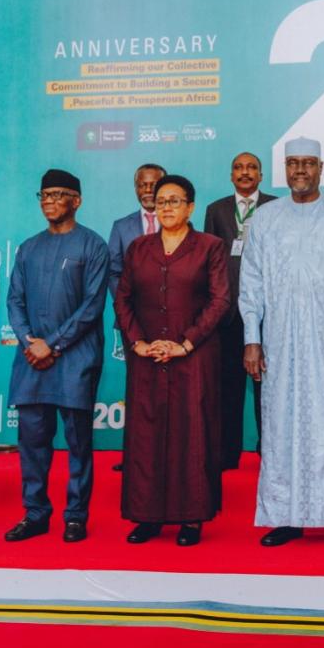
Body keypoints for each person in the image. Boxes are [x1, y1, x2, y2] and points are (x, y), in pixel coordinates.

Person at [240, 137, 324, 547]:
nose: (300, 170)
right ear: (285, 169)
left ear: (320, 168)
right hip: (279, 340)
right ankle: (286, 516)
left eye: (308, 163)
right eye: (293, 163)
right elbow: (251, 282)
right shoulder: (266, 218)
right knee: (281, 428)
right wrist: (252, 338)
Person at [114, 175, 230, 546]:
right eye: (161, 201)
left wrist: (186, 343)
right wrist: (137, 343)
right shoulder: (138, 248)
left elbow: (220, 300)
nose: (166, 207)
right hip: (147, 358)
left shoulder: (209, 246)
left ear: (190, 207)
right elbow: (123, 298)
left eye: (174, 201)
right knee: (146, 437)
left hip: (193, 358)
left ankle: (191, 518)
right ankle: (147, 517)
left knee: (191, 435)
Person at [3, 169, 109, 544]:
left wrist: (53, 344)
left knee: (78, 443)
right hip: (31, 359)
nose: (49, 201)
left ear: (76, 201)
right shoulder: (29, 247)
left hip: (76, 359)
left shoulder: (93, 246)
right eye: (44, 195)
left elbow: (92, 306)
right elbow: (14, 301)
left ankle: (76, 516)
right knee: (32, 444)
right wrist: (28, 340)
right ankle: (35, 514)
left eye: (58, 194)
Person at [202, 152, 277, 469]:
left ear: (261, 175)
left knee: (268, 390)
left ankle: (270, 453)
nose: (245, 172)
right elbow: (209, 262)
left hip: (269, 314)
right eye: (238, 168)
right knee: (228, 388)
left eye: (251, 168)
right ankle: (227, 453)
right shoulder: (216, 209)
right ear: (231, 175)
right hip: (228, 315)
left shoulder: (276, 207)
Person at [107, 162, 166, 472]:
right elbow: (114, 272)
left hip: (172, 320)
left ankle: (168, 454)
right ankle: (135, 455)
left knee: (169, 390)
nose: (148, 190)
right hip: (134, 323)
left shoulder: (178, 221)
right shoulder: (121, 227)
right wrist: (128, 310)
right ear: (135, 188)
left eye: (154, 184)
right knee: (137, 389)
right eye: (142, 184)